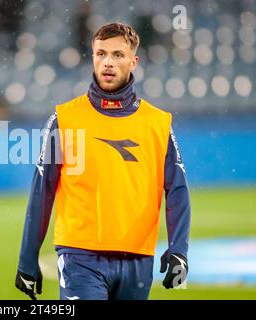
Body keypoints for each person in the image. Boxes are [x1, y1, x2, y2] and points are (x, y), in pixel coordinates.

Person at [15, 22, 191, 300]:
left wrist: (179, 249)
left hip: (138, 259)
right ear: (93, 57)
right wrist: (28, 258)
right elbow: (41, 192)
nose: (108, 62)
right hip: (79, 257)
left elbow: (178, 191)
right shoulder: (64, 120)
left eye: (118, 55)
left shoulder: (158, 124)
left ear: (134, 61)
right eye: (101, 54)